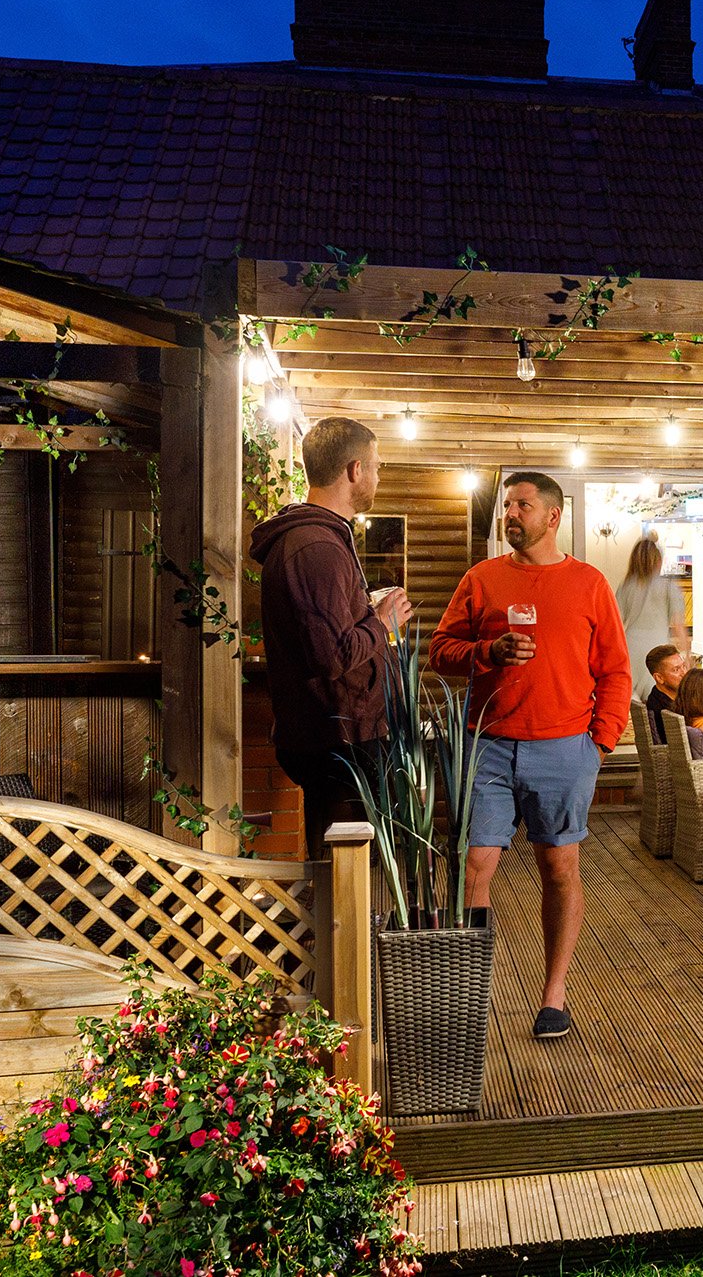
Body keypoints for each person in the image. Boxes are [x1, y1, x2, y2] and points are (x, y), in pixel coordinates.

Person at [429, 471, 631, 1041]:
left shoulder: (589, 584)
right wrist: (487, 652)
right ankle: (469, 994)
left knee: (559, 867)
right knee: (475, 867)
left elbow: (614, 670)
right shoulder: (482, 578)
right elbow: (441, 651)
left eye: (522, 505)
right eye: (506, 505)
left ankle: (554, 997)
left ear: (553, 516)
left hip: (565, 748)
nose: (510, 514)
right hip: (487, 745)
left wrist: (600, 744)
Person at [251, 416, 414, 842]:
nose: (378, 476)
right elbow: (331, 655)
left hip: (340, 735)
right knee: (343, 866)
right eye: (376, 466)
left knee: (344, 860)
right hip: (337, 739)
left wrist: (366, 609)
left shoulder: (320, 540)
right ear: (355, 470)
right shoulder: (316, 547)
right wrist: (383, 623)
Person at [614, 535, 689, 695]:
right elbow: (678, 626)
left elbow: (616, 622)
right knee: (655, 698)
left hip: (630, 647)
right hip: (657, 649)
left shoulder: (626, 585)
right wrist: (686, 656)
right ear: (658, 561)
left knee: (633, 703)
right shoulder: (668, 586)